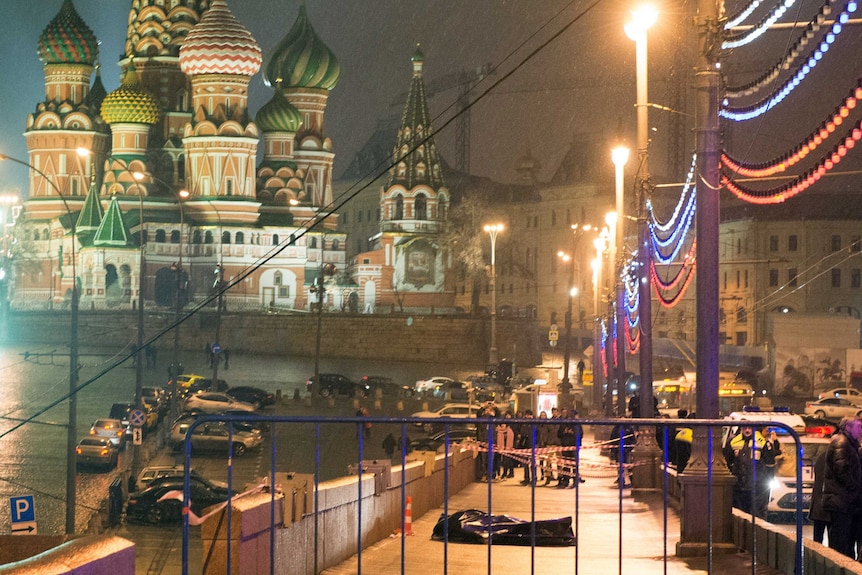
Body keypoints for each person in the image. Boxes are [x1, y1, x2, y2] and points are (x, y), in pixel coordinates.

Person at [822, 416, 862, 558]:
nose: (860, 430)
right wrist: (856, 486)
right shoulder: (842, 443)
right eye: (858, 427)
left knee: (846, 541)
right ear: (848, 428)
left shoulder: (850, 444)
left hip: (845, 501)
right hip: (840, 501)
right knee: (840, 542)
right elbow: (842, 470)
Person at [724, 425, 770, 517]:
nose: (747, 430)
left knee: (756, 514)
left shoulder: (761, 442)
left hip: (757, 486)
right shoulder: (733, 442)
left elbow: (769, 462)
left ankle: (754, 531)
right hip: (739, 485)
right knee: (740, 514)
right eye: (745, 428)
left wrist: (765, 481)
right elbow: (727, 461)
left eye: (750, 428)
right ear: (741, 429)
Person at [556, 408, 584, 488]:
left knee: (574, 464)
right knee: (566, 464)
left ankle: (575, 480)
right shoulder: (563, 424)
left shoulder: (577, 424)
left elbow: (581, 434)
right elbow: (559, 434)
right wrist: (564, 432)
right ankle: (566, 480)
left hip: (574, 446)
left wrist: (573, 433)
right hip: (565, 446)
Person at [808, 450, 830, 545]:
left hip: (819, 506)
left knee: (817, 541)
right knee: (836, 545)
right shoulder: (835, 457)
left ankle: (815, 559)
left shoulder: (822, 456)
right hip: (831, 507)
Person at [516, 410, 535, 485]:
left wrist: (536, 442)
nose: (527, 416)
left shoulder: (534, 423)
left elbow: (538, 433)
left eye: (529, 415)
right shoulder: (523, 423)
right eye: (526, 415)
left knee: (532, 463)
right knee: (525, 463)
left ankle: (534, 479)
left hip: (532, 445)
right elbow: (520, 431)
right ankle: (526, 478)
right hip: (524, 445)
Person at [495, 411, 515, 480]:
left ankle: (505, 474)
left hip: (507, 449)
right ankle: (498, 474)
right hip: (499, 448)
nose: (503, 425)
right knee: (498, 461)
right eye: (502, 424)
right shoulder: (498, 431)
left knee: (506, 461)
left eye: (504, 424)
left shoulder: (509, 431)